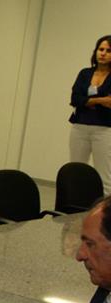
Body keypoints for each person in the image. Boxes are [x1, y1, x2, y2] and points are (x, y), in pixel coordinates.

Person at [69, 35, 111, 195]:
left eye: (108, 50)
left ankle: (104, 208)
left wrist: (87, 101)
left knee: (104, 174)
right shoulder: (85, 73)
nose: (103, 53)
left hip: (104, 129)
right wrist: (100, 100)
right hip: (80, 126)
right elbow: (75, 99)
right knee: (76, 169)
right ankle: (74, 202)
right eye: (101, 49)